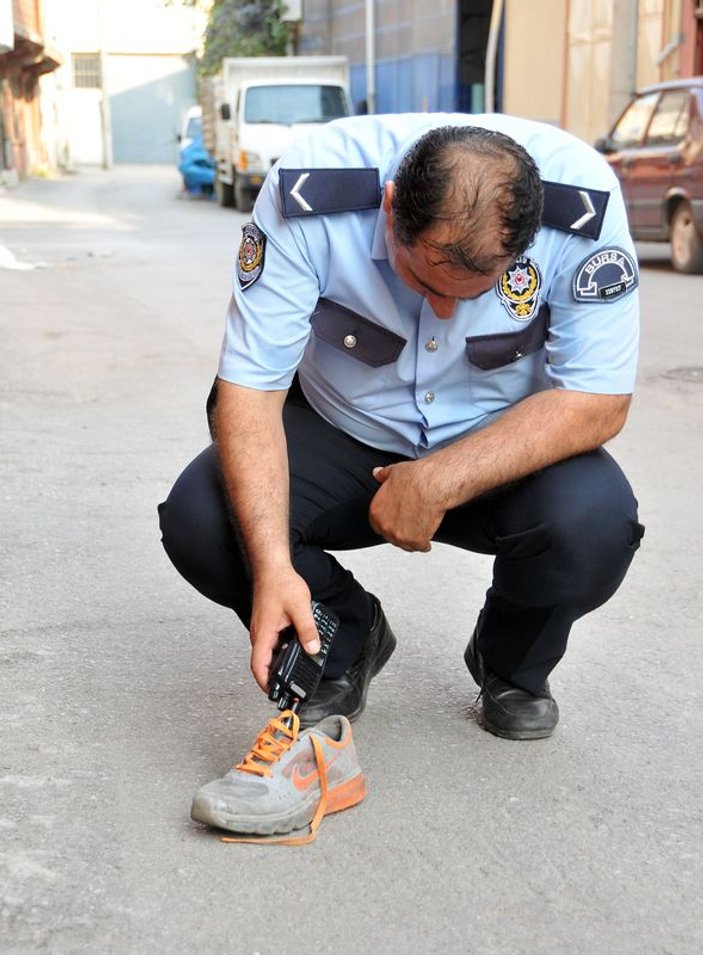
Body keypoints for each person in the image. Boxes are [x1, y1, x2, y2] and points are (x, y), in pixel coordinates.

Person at [159, 113, 644, 742]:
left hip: (497, 446)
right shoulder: (311, 195)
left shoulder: (581, 205)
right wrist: (273, 564)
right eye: (421, 279)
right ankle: (344, 637)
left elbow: (598, 397)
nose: (443, 308)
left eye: (472, 295)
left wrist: (438, 479)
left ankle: (510, 664)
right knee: (205, 521)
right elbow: (249, 387)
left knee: (595, 524)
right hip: (343, 428)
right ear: (391, 205)